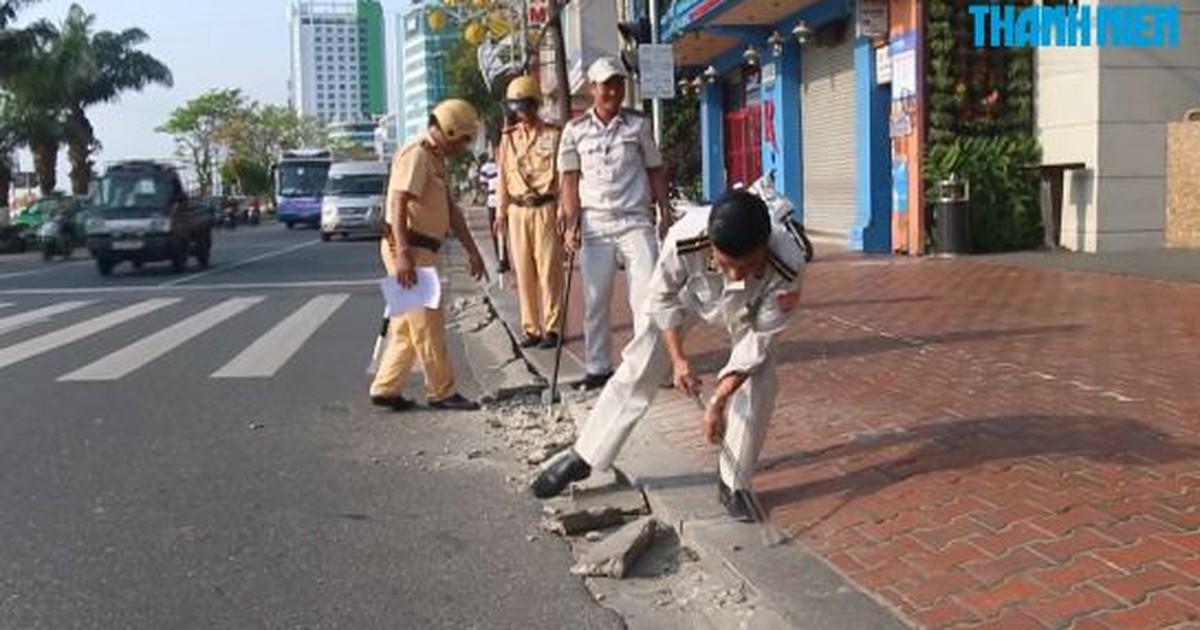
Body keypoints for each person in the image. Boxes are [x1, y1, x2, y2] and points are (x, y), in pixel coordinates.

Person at [529, 190, 807, 520]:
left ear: (764, 249)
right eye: (726, 264)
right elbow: (661, 299)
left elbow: (756, 344)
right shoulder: (685, 237)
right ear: (711, 245)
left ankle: (735, 482)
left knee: (760, 379)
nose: (734, 275)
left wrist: (718, 399)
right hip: (694, 296)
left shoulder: (788, 263)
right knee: (642, 357)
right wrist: (677, 361)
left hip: (752, 310)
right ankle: (585, 454)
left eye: (745, 266)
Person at [557, 56, 674, 391]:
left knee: (647, 297)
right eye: (606, 84)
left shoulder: (638, 125)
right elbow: (568, 180)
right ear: (592, 89)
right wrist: (570, 223)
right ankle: (597, 366)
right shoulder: (574, 131)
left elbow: (654, 169)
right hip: (595, 225)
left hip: (635, 220)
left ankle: (651, 366)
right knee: (595, 298)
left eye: (618, 83)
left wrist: (664, 209)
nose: (613, 91)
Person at [368, 98, 488, 412]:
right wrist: (403, 253)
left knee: (408, 326)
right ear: (449, 131)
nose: (462, 146)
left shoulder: (435, 159)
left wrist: (472, 251)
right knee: (428, 323)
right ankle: (442, 391)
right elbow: (398, 202)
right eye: (462, 139)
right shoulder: (417, 153)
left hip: (421, 249)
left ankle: (386, 386)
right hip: (409, 247)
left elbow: (451, 211)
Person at [494, 75, 565, 350]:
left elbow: (562, 174)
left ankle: (553, 328)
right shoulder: (508, 140)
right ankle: (531, 327)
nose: (521, 113)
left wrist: (563, 210)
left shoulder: (553, 135)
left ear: (536, 104)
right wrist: (500, 212)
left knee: (549, 271)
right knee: (523, 272)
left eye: (525, 106)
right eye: (516, 108)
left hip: (545, 208)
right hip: (517, 211)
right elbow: (502, 178)